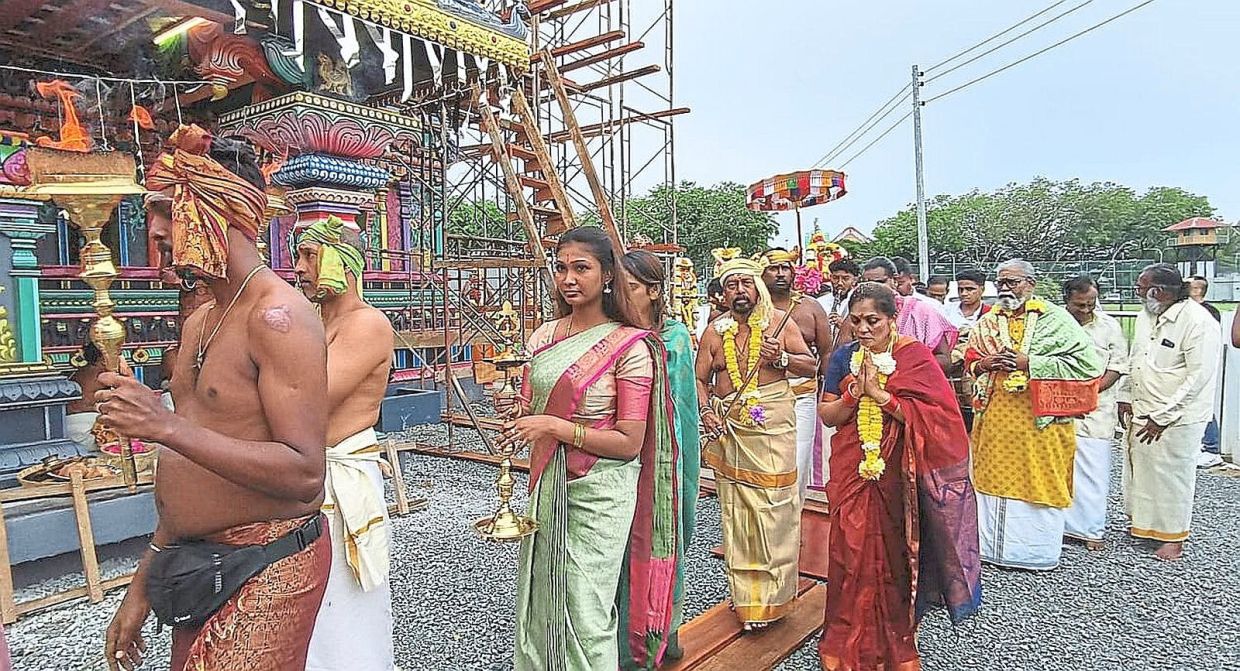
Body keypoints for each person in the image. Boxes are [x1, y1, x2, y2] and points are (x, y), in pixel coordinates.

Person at [102, 125, 330, 671]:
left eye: (164, 224)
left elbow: (305, 474)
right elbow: (187, 465)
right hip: (194, 560)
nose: (157, 246)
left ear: (211, 209)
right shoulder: (204, 316)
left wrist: (163, 425)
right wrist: (141, 586)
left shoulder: (278, 317)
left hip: (268, 559)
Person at [505, 227, 680, 670]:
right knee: (542, 597)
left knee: (586, 607)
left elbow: (628, 443)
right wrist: (513, 405)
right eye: (561, 268)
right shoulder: (543, 337)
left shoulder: (630, 346)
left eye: (581, 268)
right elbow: (529, 408)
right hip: (548, 482)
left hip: (601, 491)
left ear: (606, 276)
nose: (568, 278)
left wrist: (554, 426)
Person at [817, 282, 981, 670]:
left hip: (899, 478)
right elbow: (828, 416)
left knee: (895, 555)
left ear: (893, 319)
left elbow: (941, 422)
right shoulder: (843, 358)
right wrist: (853, 396)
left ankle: (896, 647)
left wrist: (881, 396)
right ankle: (844, 645)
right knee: (849, 555)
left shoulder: (915, 358)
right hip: (853, 470)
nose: (863, 329)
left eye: (873, 320)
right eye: (856, 321)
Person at [293, 216, 395, 671]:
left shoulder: (367, 323)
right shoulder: (310, 322)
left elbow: (308, 401)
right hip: (307, 476)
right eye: (298, 255)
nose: (298, 268)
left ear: (342, 260)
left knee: (345, 606)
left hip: (341, 478)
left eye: (310, 255)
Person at [696, 254, 815, 631]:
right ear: (723, 293)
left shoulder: (780, 323)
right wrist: (706, 412)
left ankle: (777, 598)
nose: (740, 292)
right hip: (731, 429)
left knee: (775, 509)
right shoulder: (716, 331)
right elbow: (699, 379)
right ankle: (747, 599)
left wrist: (781, 357)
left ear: (758, 288)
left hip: (772, 425)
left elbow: (810, 366)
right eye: (732, 285)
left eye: (746, 284)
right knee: (738, 514)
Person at [965, 259, 1102, 571]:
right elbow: (971, 360)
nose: (1004, 288)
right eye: (1000, 282)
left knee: (1038, 479)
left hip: (1040, 422)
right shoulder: (987, 321)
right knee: (990, 481)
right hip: (995, 420)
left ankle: (1034, 554)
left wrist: (1031, 363)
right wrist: (986, 365)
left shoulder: (1055, 319)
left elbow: (1087, 366)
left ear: (1031, 284)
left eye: (1012, 282)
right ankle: (990, 549)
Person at [621, 249, 699, 662]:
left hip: (669, 453)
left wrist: (685, 457)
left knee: (667, 534)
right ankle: (626, 639)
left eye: (630, 287)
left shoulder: (676, 337)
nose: (621, 294)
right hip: (620, 452)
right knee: (624, 543)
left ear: (654, 291)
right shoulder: (612, 334)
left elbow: (685, 405)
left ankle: (664, 626)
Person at [1122, 264, 1221, 561]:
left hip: (1178, 416)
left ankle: (1174, 538)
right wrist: (1126, 395)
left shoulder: (1198, 322)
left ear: (1159, 292)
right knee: (1142, 471)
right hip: (1143, 407)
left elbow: (1197, 377)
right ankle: (1147, 527)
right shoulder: (1145, 316)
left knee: (1172, 476)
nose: (1138, 293)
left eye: (1141, 288)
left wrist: (1163, 417)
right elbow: (1136, 356)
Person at [1061, 276, 1128, 551]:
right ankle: (1063, 526)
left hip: (1097, 409)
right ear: (1067, 301)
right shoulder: (1053, 324)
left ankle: (1092, 530)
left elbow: (1117, 366)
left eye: (1091, 304)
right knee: (1061, 469)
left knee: (1094, 470)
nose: (1087, 310)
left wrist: (1089, 393)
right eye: (1080, 305)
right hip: (1059, 407)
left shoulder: (1109, 326)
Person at [762, 248, 833, 497]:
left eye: (785, 268)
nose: (780, 274)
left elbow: (825, 353)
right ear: (762, 273)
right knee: (766, 464)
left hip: (802, 396)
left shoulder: (810, 307)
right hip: (762, 397)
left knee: (797, 463)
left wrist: (829, 394)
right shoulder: (752, 308)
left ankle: (792, 524)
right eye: (774, 268)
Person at [861, 257, 958, 371]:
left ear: (895, 280)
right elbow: (843, 354)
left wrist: (908, 368)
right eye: (866, 284)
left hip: (915, 381)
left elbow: (944, 359)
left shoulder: (921, 310)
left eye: (880, 282)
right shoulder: (857, 314)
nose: (872, 289)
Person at [1188, 275, 1223, 467]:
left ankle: (1212, 448)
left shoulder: (1208, 312)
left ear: (1197, 290)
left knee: (1204, 404)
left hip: (1203, 364)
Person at [66, 341, 107, 453]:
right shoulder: (103, 375)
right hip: (87, 428)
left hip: (70, 425)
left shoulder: (79, 372)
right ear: (103, 358)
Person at [945, 269, 991, 333]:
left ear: (982, 290)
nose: (963, 293)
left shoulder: (990, 313)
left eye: (970, 289)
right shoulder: (946, 311)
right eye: (960, 289)